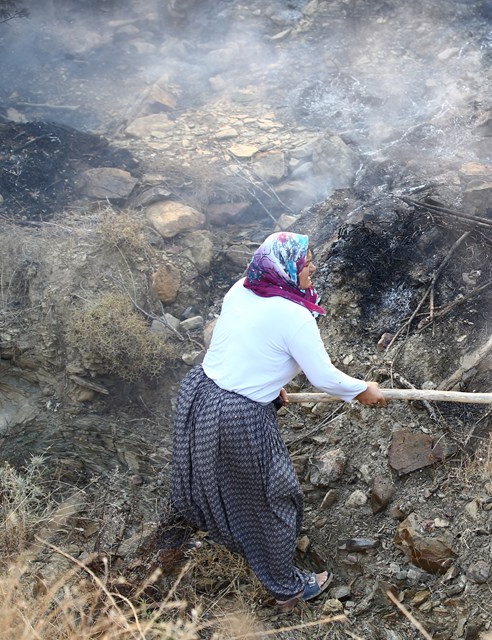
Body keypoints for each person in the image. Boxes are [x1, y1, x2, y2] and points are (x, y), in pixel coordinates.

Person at [156, 232, 386, 610]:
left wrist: (270, 382)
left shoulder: (243, 287)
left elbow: (243, 340)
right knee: (270, 496)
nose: (313, 266)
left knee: (196, 474)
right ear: (285, 267)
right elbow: (325, 378)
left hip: (200, 393)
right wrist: (362, 389)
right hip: (239, 416)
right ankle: (287, 587)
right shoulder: (294, 316)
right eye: (306, 260)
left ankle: (174, 543)